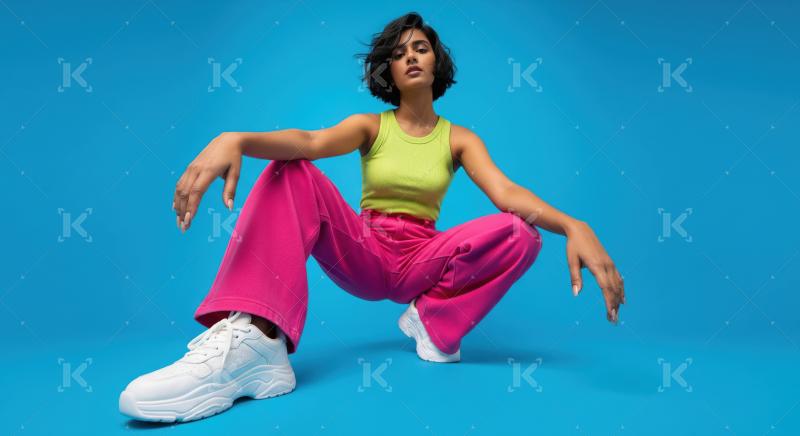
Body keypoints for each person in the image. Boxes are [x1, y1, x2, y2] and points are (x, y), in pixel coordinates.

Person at [119, 12, 625, 423]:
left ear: (436, 60)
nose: (410, 56)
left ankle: (433, 322)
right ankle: (259, 340)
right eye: (399, 52)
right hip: (365, 247)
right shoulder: (371, 126)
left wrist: (574, 226)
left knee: (521, 233)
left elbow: (507, 192)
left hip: (423, 257)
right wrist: (237, 139)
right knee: (289, 170)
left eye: (420, 47)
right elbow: (311, 143)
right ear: (388, 70)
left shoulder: (460, 138)